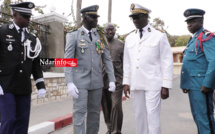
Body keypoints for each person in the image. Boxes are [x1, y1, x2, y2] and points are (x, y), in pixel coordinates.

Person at [64, 5, 116, 134]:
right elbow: (68, 61)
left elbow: (107, 59)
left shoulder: (100, 36)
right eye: (93, 17)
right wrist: (69, 82)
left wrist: (112, 79)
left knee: (94, 114)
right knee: (80, 113)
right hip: (79, 82)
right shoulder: (73, 35)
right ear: (85, 18)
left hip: (96, 82)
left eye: (96, 17)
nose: (96, 20)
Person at [123, 3, 173, 134]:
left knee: (153, 117)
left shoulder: (159, 35)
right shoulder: (129, 38)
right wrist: (126, 82)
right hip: (135, 83)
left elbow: (166, 61)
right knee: (139, 117)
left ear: (146, 17)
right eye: (133, 18)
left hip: (153, 83)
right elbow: (127, 62)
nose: (135, 21)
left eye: (138, 17)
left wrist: (166, 85)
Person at [0, 2, 46, 134]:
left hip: (24, 87)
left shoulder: (32, 39)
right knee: (8, 120)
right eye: (24, 16)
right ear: (14, 15)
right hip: (6, 86)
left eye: (29, 16)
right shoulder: (2, 32)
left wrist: (41, 85)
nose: (28, 19)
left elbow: (35, 64)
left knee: (22, 121)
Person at [180, 8, 215, 134]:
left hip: (202, 85)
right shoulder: (194, 38)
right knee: (198, 117)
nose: (189, 24)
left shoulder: (207, 37)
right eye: (188, 22)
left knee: (205, 118)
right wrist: (185, 84)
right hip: (193, 85)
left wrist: (207, 84)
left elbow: (214, 62)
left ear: (201, 21)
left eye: (193, 21)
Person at [101, 23, 124, 134]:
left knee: (116, 106)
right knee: (106, 106)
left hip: (117, 81)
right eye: (107, 30)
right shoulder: (99, 44)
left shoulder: (121, 44)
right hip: (102, 81)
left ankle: (116, 131)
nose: (110, 32)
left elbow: (126, 64)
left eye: (112, 30)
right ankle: (109, 128)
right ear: (104, 31)